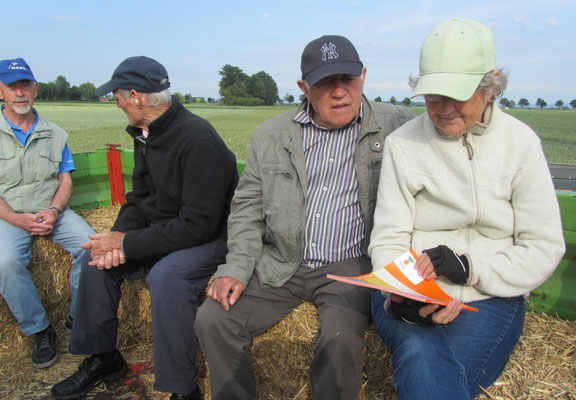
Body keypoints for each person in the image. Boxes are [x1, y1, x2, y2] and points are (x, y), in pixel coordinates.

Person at [195, 35, 414, 400]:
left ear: (363, 76)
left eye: (348, 79)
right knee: (213, 319)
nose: (340, 92)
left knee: (340, 340)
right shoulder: (271, 136)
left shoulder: (396, 125)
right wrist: (235, 267)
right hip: (281, 263)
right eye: (326, 82)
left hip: (350, 266)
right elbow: (247, 208)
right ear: (304, 87)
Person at [368, 18, 566, 400]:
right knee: (420, 351)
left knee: (429, 369)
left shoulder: (521, 144)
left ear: (490, 87)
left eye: (455, 95)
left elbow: (543, 246)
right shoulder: (401, 144)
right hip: (410, 296)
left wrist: (473, 269)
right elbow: (389, 237)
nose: (441, 110)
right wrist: (403, 292)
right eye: (431, 96)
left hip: (490, 295)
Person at [51, 56, 239, 400]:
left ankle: (184, 389)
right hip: (169, 229)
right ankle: (105, 358)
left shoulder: (198, 140)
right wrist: (114, 239)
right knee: (95, 258)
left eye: (118, 96)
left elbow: (199, 225)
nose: (117, 102)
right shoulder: (145, 132)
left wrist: (128, 245)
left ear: (136, 96)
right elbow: (139, 196)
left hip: (211, 237)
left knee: (166, 278)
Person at [0, 58, 95, 369]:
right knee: (6, 262)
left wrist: (54, 211)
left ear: (35, 89)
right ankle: (40, 331)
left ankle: (77, 315)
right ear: (1, 91)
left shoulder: (55, 133)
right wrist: (14, 218)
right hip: (9, 214)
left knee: (90, 244)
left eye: (25, 85)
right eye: (12, 86)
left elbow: (65, 180)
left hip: (51, 211)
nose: (19, 92)